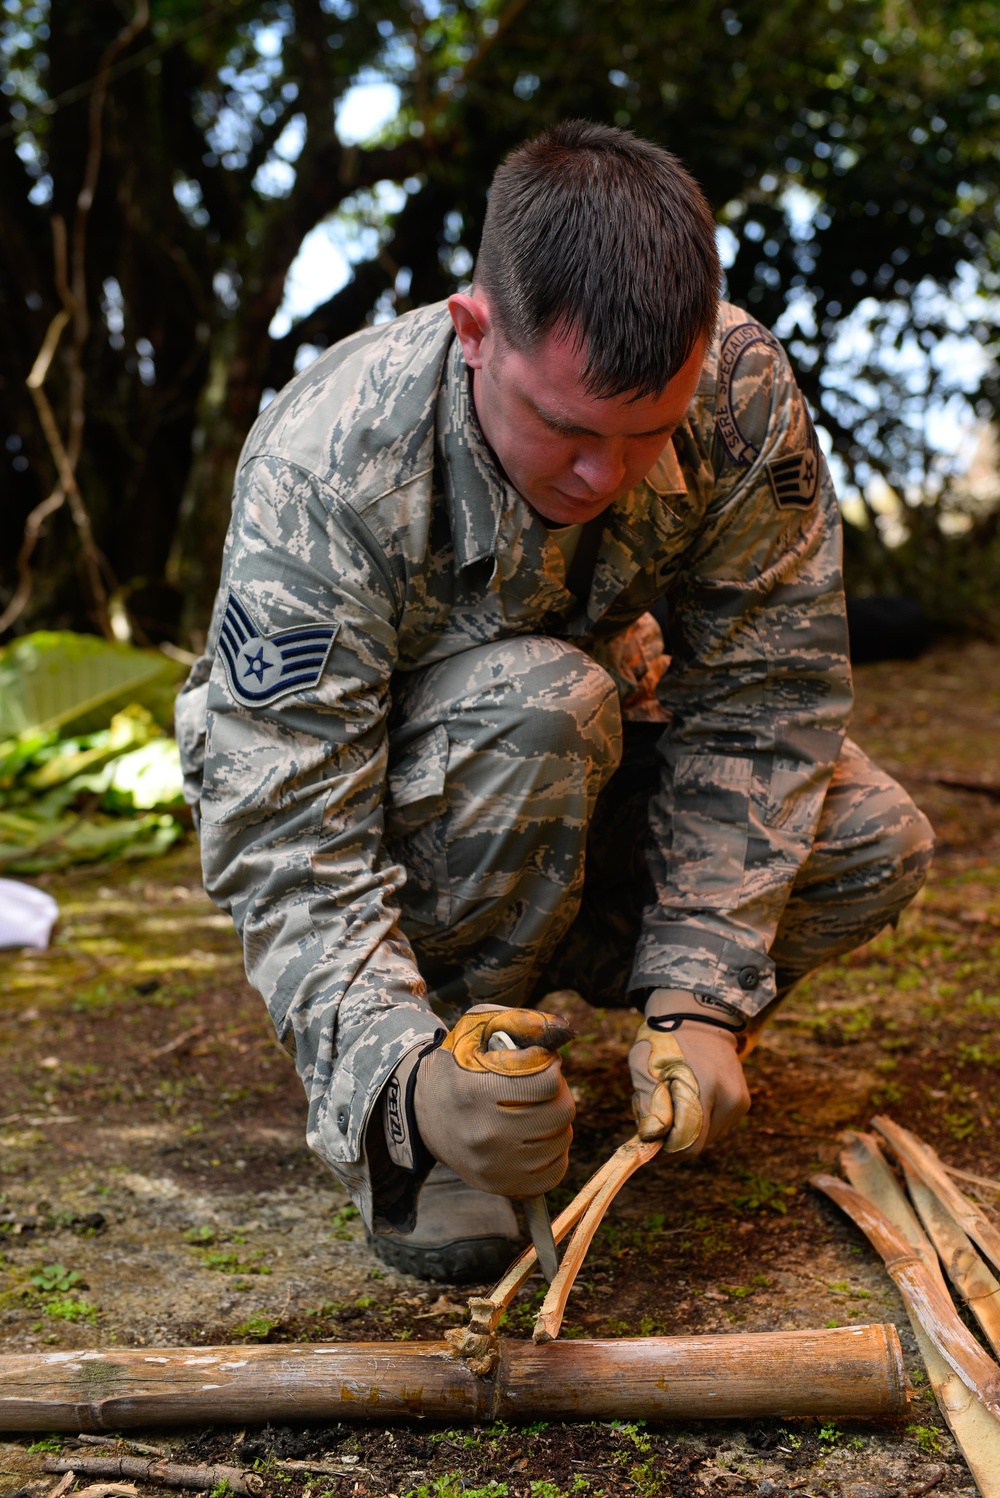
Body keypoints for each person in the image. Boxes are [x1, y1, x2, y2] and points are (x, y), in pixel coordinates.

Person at [175, 121, 933, 1283]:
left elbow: (765, 699)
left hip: (583, 793)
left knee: (871, 838)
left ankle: (617, 1054)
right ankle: (447, 1109)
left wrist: (699, 991)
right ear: (473, 332)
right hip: (431, 817)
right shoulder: (327, 462)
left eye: (647, 434)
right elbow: (284, 830)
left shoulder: (737, 389)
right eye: (570, 430)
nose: (605, 476)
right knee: (537, 704)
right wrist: (405, 1075)